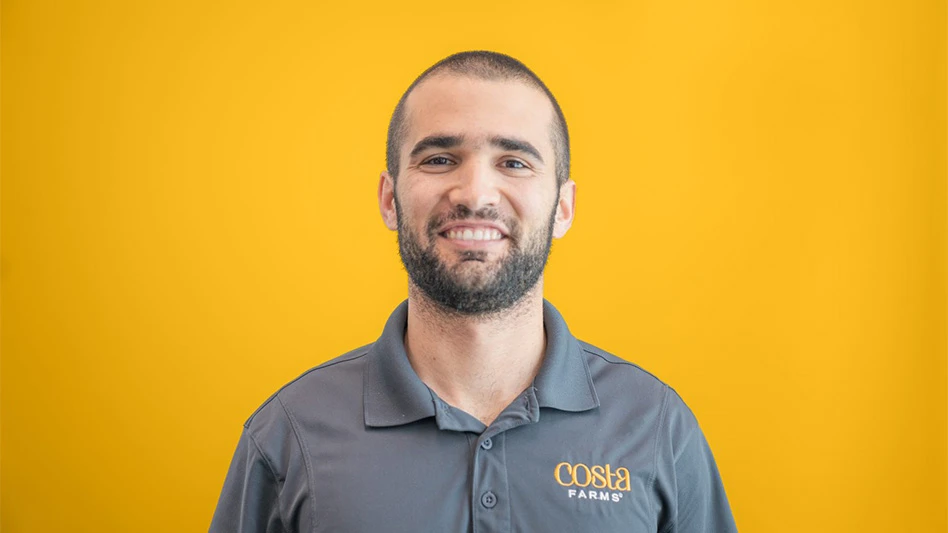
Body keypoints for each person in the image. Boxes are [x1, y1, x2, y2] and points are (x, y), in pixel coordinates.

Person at [209, 51, 737, 533]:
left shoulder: (655, 426)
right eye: (440, 159)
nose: (476, 193)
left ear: (563, 208)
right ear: (390, 200)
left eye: (514, 162)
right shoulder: (290, 434)